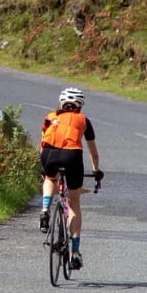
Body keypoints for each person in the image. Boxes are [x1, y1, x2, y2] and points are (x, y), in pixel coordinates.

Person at [40, 86, 102, 271]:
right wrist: (96, 171)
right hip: (72, 156)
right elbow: (94, 153)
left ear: (61, 103)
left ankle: (44, 210)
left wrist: (44, 167)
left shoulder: (50, 117)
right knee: (73, 201)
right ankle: (75, 253)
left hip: (49, 154)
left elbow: (42, 144)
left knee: (50, 179)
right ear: (80, 106)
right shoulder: (84, 120)